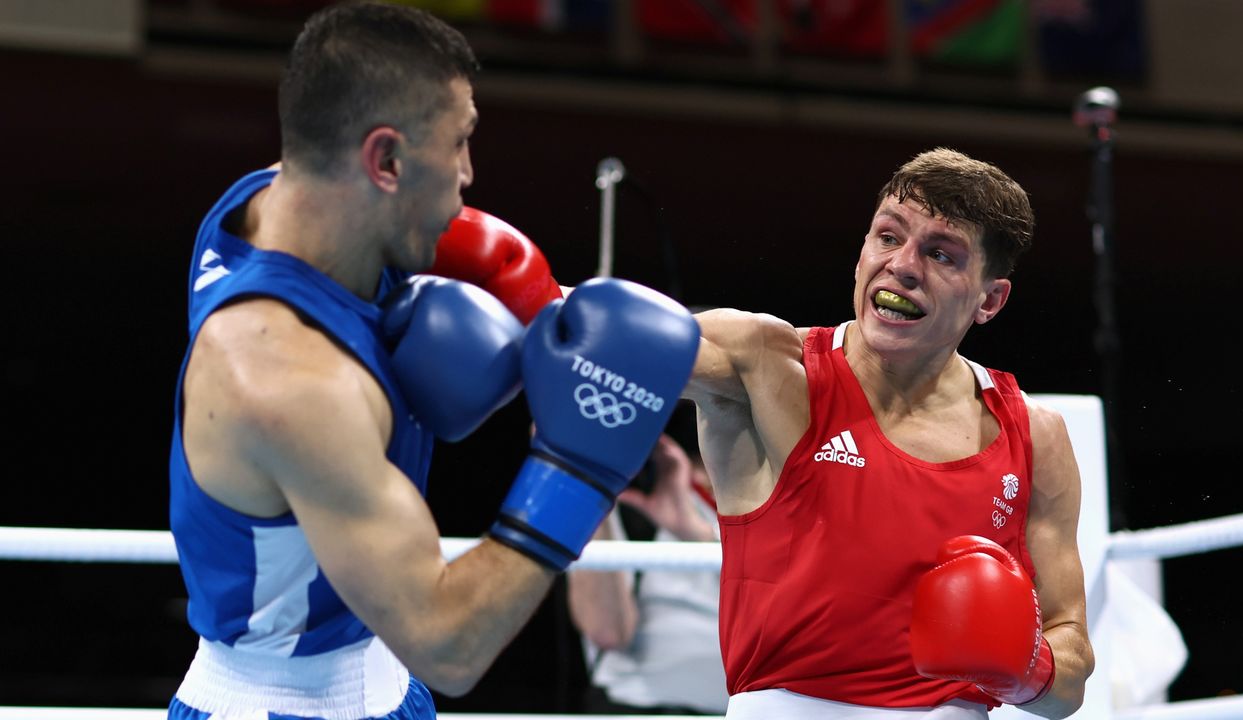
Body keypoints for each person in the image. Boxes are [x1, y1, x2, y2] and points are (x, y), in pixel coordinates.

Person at [166, 3, 699, 719]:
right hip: (287, 704)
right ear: (385, 160)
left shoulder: (266, 202)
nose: (469, 175)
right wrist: (580, 467)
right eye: (459, 144)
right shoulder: (286, 380)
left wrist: (532, 296)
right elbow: (450, 647)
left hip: (381, 680)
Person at [683, 148, 1095, 719]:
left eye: (940, 254)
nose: (902, 265)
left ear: (990, 300)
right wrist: (527, 298)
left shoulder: (1033, 435)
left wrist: (1027, 666)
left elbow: (1070, 682)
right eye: (887, 236)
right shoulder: (770, 366)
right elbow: (611, 336)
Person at [567, 404, 729, 716]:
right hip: (638, 708)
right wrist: (588, 484)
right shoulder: (621, 502)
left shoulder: (783, 499)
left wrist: (698, 536)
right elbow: (608, 632)